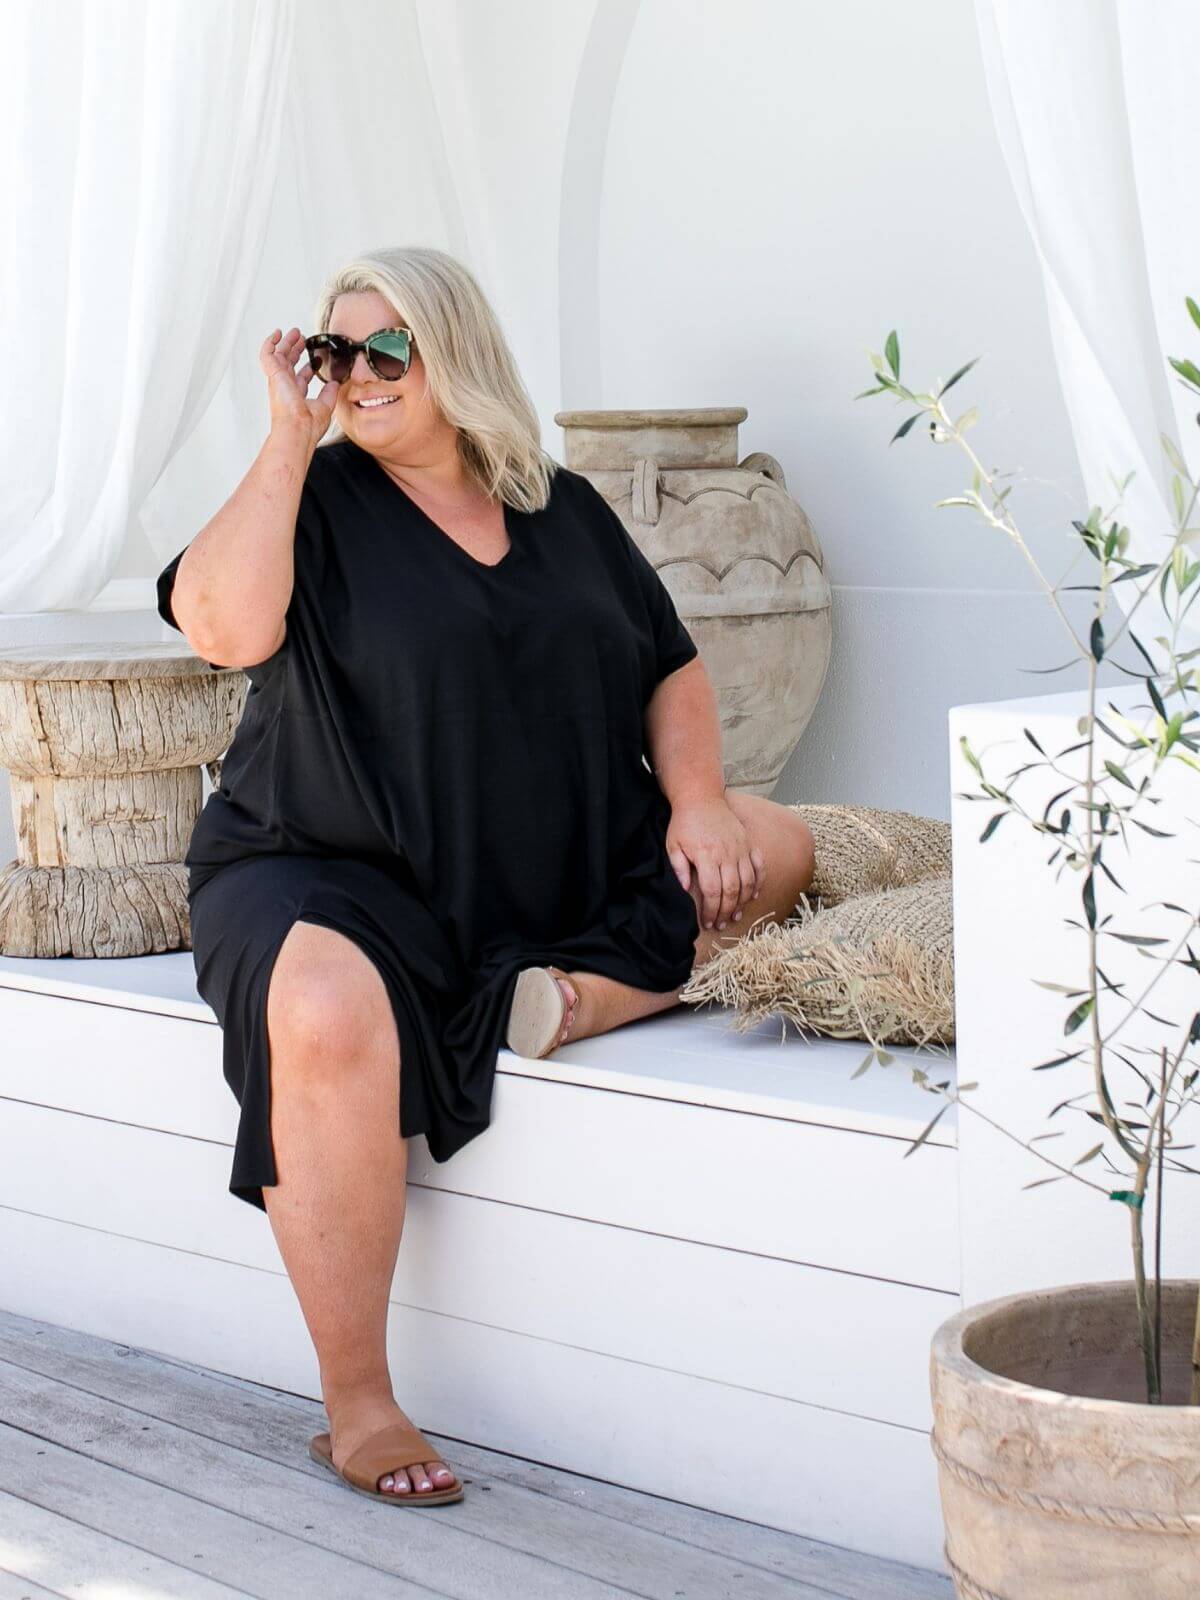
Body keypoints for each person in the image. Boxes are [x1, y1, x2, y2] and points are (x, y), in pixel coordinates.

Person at [156, 245, 815, 1507]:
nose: (357, 373)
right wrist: (289, 436)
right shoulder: (316, 498)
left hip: (538, 862)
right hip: (328, 867)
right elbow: (225, 627)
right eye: (333, 351)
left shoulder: (557, 506)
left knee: (774, 845)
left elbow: (669, 665)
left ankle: (579, 995)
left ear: (453, 350)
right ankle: (359, 1403)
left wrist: (692, 801)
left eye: (384, 348)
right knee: (324, 1011)